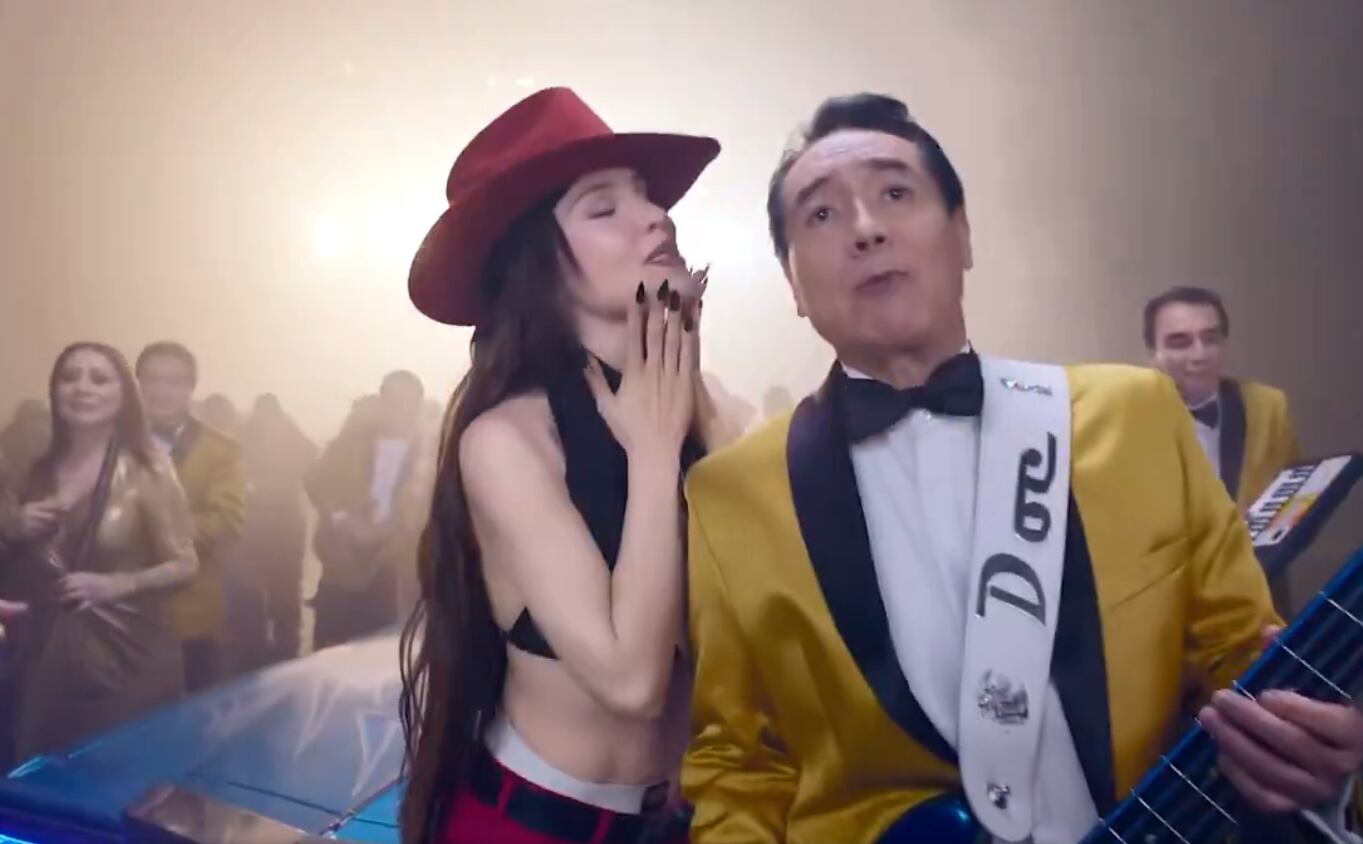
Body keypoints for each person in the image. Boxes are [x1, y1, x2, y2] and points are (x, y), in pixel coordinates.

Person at [681, 94, 1363, 844]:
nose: (866, 228)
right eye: (821, 214)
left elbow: (1240, 654)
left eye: (895, 193)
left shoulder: (1137, 415)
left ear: (962, 235)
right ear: (792, 284)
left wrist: (1312, 755)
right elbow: (739, 764)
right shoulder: (729, 496)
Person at [398, 86, 725, 844]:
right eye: (604, 208)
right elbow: (633, 683)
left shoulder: (709, 410)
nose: (656, 216)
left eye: (646, 195)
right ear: (537, 266)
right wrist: (653, 454)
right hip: (534, 825)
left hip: (686, 823)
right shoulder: (506, 442)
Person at [0, 342, 198, 759]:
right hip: (44, 658)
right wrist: (14, 527)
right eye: (69, 377)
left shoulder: (148, 469)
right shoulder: (36, 469)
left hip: (127, 660)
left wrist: (117, 585)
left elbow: (184, 563)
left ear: (124, 395)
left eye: (99, 379)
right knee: (40, 773)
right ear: (54, 391)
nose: (82, 388)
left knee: (115, 774)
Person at [136, 341, 246, 692]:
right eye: (153, 379)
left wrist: (148, 533)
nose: (162, 390)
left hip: (190, 611)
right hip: (120, 614)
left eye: (175, 381)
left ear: (191, 388)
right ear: (138, 384)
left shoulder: (221, 449)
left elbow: (227, 520)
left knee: (192, 711)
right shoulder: (109, 442)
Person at [1145, 285, 1302, 512]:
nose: (1200, 355)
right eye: (1180, 343)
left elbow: (1293, 499)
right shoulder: (1128, 419)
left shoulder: (1268, 407)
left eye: (1211, 339)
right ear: (1153, 354)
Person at [306, 372, 431, 649]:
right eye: (392, 399)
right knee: (331, 655)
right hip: (342, 567)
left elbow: (429, 513)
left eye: (405, 401)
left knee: (386, 657)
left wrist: (390, 532)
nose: (397, 408)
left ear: (417, 405)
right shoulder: (351, 443)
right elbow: (316, 480)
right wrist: (341, 518)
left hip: (395, 575)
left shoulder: (433, 455)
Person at [225, 394, 317, 669]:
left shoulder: (247, 431)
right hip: (281, 517)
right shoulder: (289, 431)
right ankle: (285, 642)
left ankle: (258, 643)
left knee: (260, 582)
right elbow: (310, 459)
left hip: (260, 517)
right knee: (285, 582)